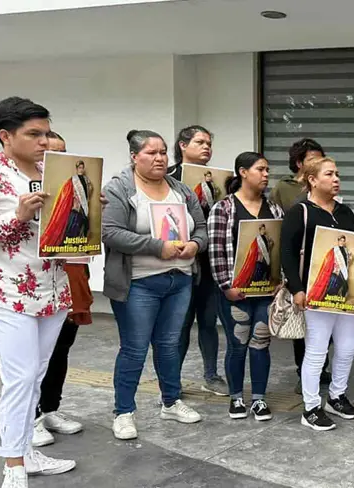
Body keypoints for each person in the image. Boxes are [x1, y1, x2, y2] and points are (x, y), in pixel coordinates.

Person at [0, 97, 77, 488]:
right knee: (19, 378)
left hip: (54, 288)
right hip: (9, 293)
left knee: (37, 374)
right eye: (34, 135)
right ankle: (14, 469)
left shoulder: (55, 173)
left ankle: (30, 452)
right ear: (6, 136)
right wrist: (17, 217)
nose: (44, 142)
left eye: (46, 133)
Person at [102, 129, 208, 441]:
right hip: (138, 283)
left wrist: (196, 246)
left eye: (163, 152)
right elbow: (110, 231)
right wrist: (155, 246)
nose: (160, 158)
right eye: (151, 152)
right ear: (135, 157)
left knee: (170, 345)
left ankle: (171, 402)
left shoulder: (180, 189)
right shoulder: (121, 189)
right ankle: (123, 412)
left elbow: (200, 226)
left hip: (180, 279)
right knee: (134, 349)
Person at [281, 156, 354, 431]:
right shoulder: (300, 212)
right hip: (315, 293)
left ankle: (336, 396)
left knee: (348, 346)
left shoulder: (344, 212)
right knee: (317, 350)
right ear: (312, 179)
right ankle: (310, 407)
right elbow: (287, 252)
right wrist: (296, 289)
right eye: (329, 174)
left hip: (345, 293)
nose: (336, 179)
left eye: (337, 174)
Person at [208, 152, 284, 421]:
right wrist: (225, 285)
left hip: (265, 291)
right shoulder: (224, 208)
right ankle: (237, 397)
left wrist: (279, 280)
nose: (266, 175)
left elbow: (279, 249)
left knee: (261, 342)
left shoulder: (274, 209)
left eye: (267, 170)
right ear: (243, 172)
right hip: (234, 293)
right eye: (260, 169)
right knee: (238, 343)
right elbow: (216, 250)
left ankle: (260, 400)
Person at [32, 132, 87, 448]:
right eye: (50, 153)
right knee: (35, 355)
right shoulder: (24, 186)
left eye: (63, 153)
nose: (57, 159)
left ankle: (50, 408)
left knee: (62, 347)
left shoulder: (77, 183)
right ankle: (33, 416)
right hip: (35, 283)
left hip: (71, 273)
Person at [169, 125, 227, 396]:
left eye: (209, 143)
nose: (206, 147)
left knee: (208, 321)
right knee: (179, 324)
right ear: (183, 145)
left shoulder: (220, 181)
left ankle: (211, 375)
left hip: (211, 260)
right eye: (200, 142)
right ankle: (172, 381)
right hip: (179, 260)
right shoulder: (168, 177)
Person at [270, 137, 329, 390]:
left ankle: (322, 368)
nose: (318, 163)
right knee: (302, 320)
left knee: (327, 317)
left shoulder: (326, 184)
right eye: (312, 159)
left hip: (324, 260)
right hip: (300, 261)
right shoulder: (284, 188)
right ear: (299, 163)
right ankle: (302, 372)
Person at [39, 159, 90, 249]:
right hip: (76, 205)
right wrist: (74, 196)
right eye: (80, 168)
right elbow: (67, 192)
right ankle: (68, 241)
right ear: (77, 169)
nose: (81, 169)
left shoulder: (86, 180)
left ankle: (78, 242)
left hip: (84, 205)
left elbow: (89, 189)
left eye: (82, 168)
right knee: (73, 223)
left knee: (83, 224)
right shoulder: (73, 179)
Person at [306, 234, 354, 304]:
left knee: (344, 286)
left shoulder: (346, 250)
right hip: (336, 271)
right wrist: (335, 265)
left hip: (343, 271)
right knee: (336, 286)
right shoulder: (334, 250)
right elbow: (329, 260)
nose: (342, 242)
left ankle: (341, 302)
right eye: (341, 240)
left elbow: (346, 261)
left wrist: (350, 258)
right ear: (338, 241)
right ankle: (336, 301)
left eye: (343, 241)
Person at [233, 223, 274, 288]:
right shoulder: (257, 239)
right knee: (258, 273)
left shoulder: (266, 238)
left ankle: (264, 284)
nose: (263, 230)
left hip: (266, 258)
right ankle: (256, 285)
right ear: (260, 230)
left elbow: (268, 247)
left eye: (264, 229)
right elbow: (254, 248)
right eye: (262, 229)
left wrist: (270, 244)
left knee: (266, 271)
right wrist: (259, 251)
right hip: (259, 258)